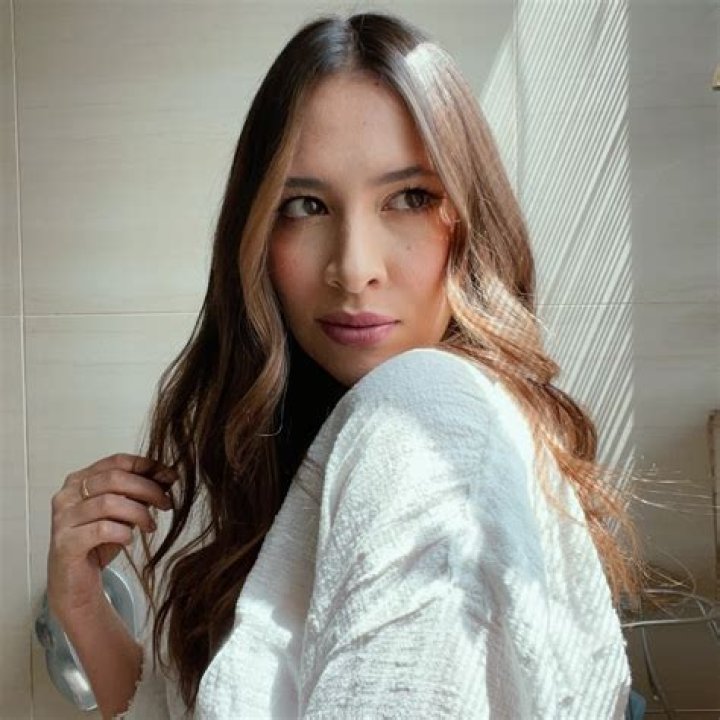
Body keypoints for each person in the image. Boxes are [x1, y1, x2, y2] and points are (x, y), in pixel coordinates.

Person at [46, 11, 645, 719]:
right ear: (256, 234)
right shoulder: (313, 443)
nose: (354, 268)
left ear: (472, 220)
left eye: (411, 198)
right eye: (305, 205)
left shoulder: (424, 417)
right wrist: (80, 601)